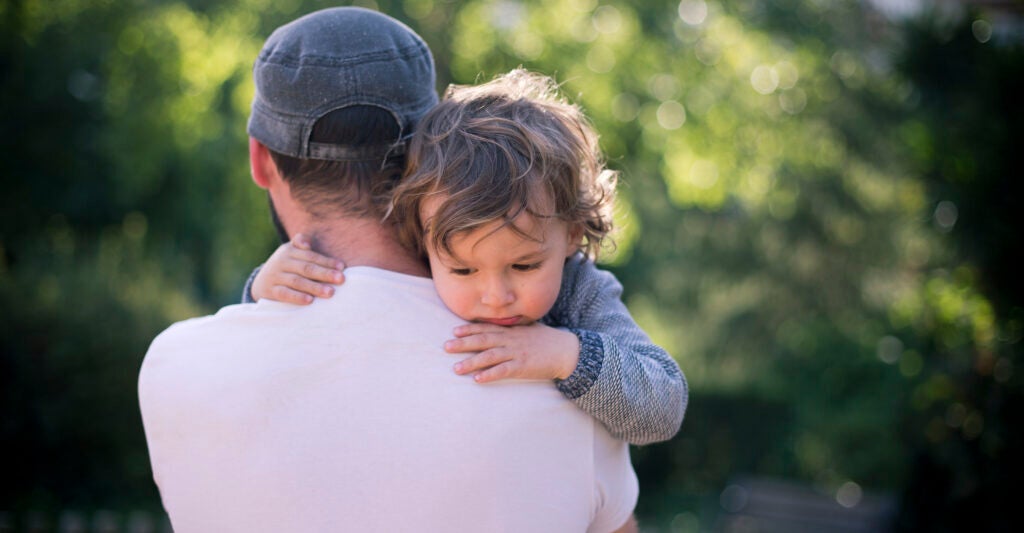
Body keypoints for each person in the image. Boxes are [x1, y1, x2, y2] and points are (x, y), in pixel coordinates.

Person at [138, 6, 639, 532]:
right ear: (433, 160)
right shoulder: (563, 376)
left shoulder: (173, 368)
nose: (496, 293)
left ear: (260, 161)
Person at [245, 70, 688, 446]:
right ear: (421, 240)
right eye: (463, 270)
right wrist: (262, 290)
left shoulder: (580, 293)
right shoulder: (413, 273)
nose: (495, 296)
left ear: (571, 234)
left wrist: (567, 354)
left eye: (524, 266)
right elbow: (294, 346)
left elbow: (664, 405)